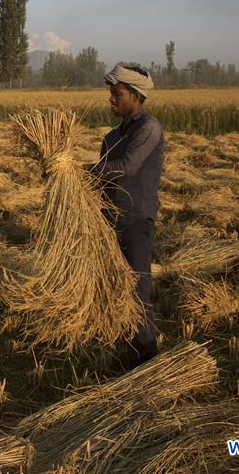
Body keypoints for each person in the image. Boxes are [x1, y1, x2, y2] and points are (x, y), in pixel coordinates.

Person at [89, 64, 164, 369]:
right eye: (111, 93)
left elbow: (126, 168)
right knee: (116, 290)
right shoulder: (112, 136)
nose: (111, 99)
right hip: (112, 221)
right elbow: (104, 179)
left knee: (137, 293)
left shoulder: (149, 129)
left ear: (135, 95)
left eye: (117, 94)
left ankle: (147, 360)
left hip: (136, 222)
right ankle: (128, 352)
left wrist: (80, 171)